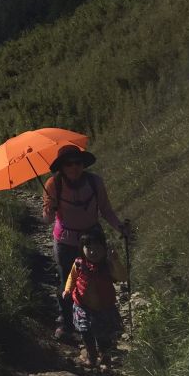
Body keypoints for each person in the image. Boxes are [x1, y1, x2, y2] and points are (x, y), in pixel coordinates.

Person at [42, 144, 130, 341]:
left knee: (99, 280)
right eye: (69, 164)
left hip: (93, 240)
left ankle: (101, 327)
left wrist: (120, 228)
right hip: (65, 241)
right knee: (67, 282)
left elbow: (106, 209)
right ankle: (67, 324)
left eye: (78, 163)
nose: (74, 167)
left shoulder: (95, 182)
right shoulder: (52, 185)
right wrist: (50, 209)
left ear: (83, 164)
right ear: (62, 167)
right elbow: (47, 220)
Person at [63, 230, 128, 367]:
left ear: (105, 248)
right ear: (82, 249)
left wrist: (115, 261)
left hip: (104, 306)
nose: (93, 252)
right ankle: (91, 357)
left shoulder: (107, 265)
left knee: (103, 335)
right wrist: (68, 290)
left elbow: (122, 277)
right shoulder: (79, 264)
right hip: (82, 305)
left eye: (97, 248)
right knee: (85, 331)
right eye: (89, 248)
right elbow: (72, 277)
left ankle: (105, 356)